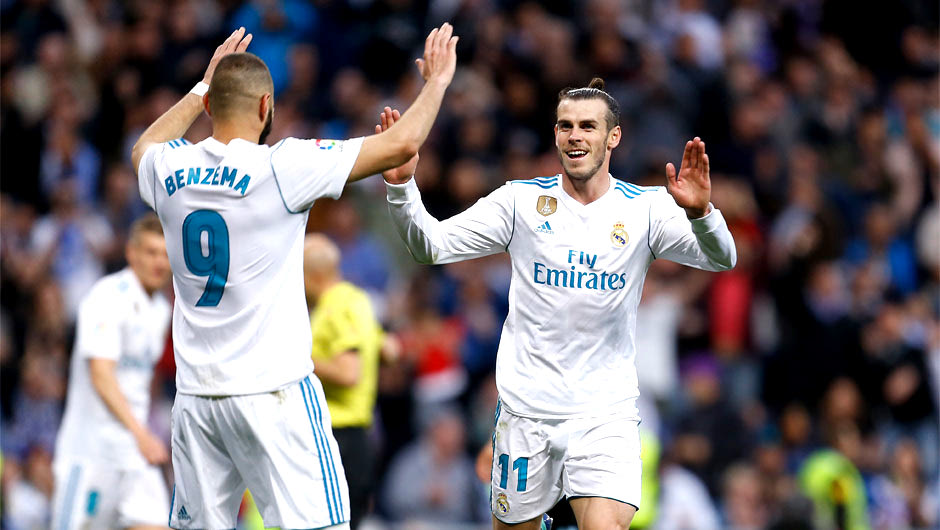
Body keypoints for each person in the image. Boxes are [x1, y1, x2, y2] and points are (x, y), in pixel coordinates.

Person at [131, 24, 458, 530]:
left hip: (196, 398)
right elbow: (402, 143)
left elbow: (144, 146)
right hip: (274, 393)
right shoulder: (282, 167)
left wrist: (201, 86)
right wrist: (436, 82)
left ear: (211, 106)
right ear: (266, 107)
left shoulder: (168, 170)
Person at [378, 78, 737, 529]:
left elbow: (722, 257)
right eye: (566, 125)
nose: (575, 135)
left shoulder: (644, 209)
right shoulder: (520, 202)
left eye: (588, 126)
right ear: (555, 135)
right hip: (526, 414)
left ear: (613, 136)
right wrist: (402, 189)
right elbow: (430, 245)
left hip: (604, 413)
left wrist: (702, 214)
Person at [50, 213, 172, 529]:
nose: (159, 262)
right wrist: (142, 434)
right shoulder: (107, 296)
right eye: (151, 252)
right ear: (131, 253)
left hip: (134, 456)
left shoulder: (161, 310)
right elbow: (101, 375)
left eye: (165, 254)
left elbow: (140, 381)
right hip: (91, 455)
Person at [302, 233, 384, 529]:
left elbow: (349, 372)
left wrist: (300, 361)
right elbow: (389, 348)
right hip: (358, 436)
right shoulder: (358, 300)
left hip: (338, 436)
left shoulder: (333, 307)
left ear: (314, 276)